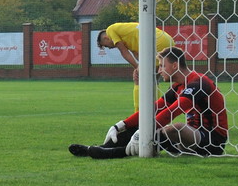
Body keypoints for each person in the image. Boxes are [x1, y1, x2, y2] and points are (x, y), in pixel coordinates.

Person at [69, 46, 229, 159]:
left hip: (211, 141)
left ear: (174, 65)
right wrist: (121, 125)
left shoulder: (200, 83)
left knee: (174, 128)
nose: (159, 70)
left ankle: (115, 153)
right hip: (191, 139)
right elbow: (154, 108)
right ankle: (100, 148)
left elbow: (173, 111)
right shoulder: (178, 86)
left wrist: (144, 131)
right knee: (149, 127)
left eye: (162, 66)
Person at [97, 22, 176, 111]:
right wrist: (139, 66)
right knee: (154, 79)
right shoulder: (126, 34)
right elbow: (137, 54)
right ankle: (156, 111)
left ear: (106, 38)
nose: (109, 48)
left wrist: (138, 67)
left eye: (106, 45)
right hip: (166, 39)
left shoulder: (110, 30)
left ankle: (139, 114)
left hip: (156, 41)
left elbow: (123, 51)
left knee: (139, 78)